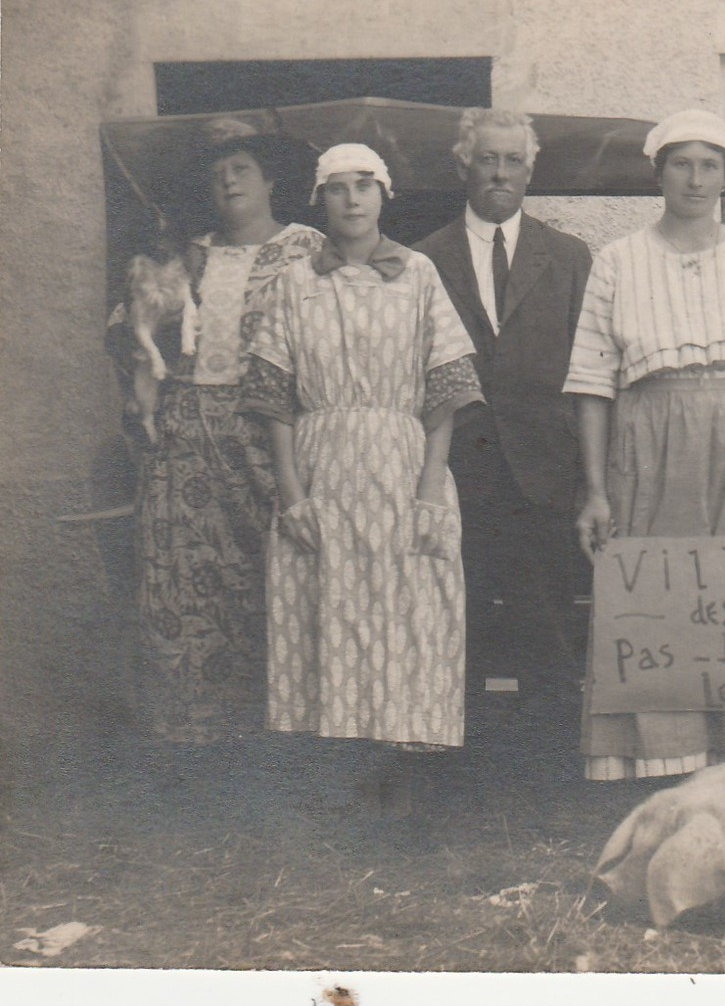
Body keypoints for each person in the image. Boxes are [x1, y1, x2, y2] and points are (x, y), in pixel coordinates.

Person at [564, 109, 725, 781]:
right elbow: (593, 384)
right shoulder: (618, 261)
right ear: (657, 173)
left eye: (709, 165)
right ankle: (669, 767)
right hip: (651, 435)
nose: (695, 178)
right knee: (667, 595)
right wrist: (595, 490)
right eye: (680, 163)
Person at [242, 143, 484, 814]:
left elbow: (444, 392)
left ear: (385, 196)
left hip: (403, 467)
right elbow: (274, 401)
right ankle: (336, 804)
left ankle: (403, 807)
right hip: (322, 470)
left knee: (410, 619)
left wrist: (430, 492)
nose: (351, 200)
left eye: (364, 186)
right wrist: (293, 497)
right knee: (324, 616)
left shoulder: (418, 274)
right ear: (319, 200)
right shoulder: (294, 284)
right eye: (337, 188)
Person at [107, 125, 324, 750]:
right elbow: (127, 331)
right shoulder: (182, 257)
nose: (228, 181)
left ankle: (284, 735)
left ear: (270, 180)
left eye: (242, 168)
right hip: (182, 439)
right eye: (217, 173)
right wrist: (145, 380)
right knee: (180, 573)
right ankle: (192, 739)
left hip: (269, 438)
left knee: (274, 575)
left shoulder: (308, 250)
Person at [414, 110, 594, 732]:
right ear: (463, 164)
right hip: (457, 473)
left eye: (512, 161)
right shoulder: (422, 261)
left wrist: (585, 478)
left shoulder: (569, 258)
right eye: (487, 159)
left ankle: (546, 774)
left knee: (546, 626)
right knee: (451, 619)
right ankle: (455, 769)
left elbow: (589, 373)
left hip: (543, 474)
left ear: (530, 169)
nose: (499, 173)